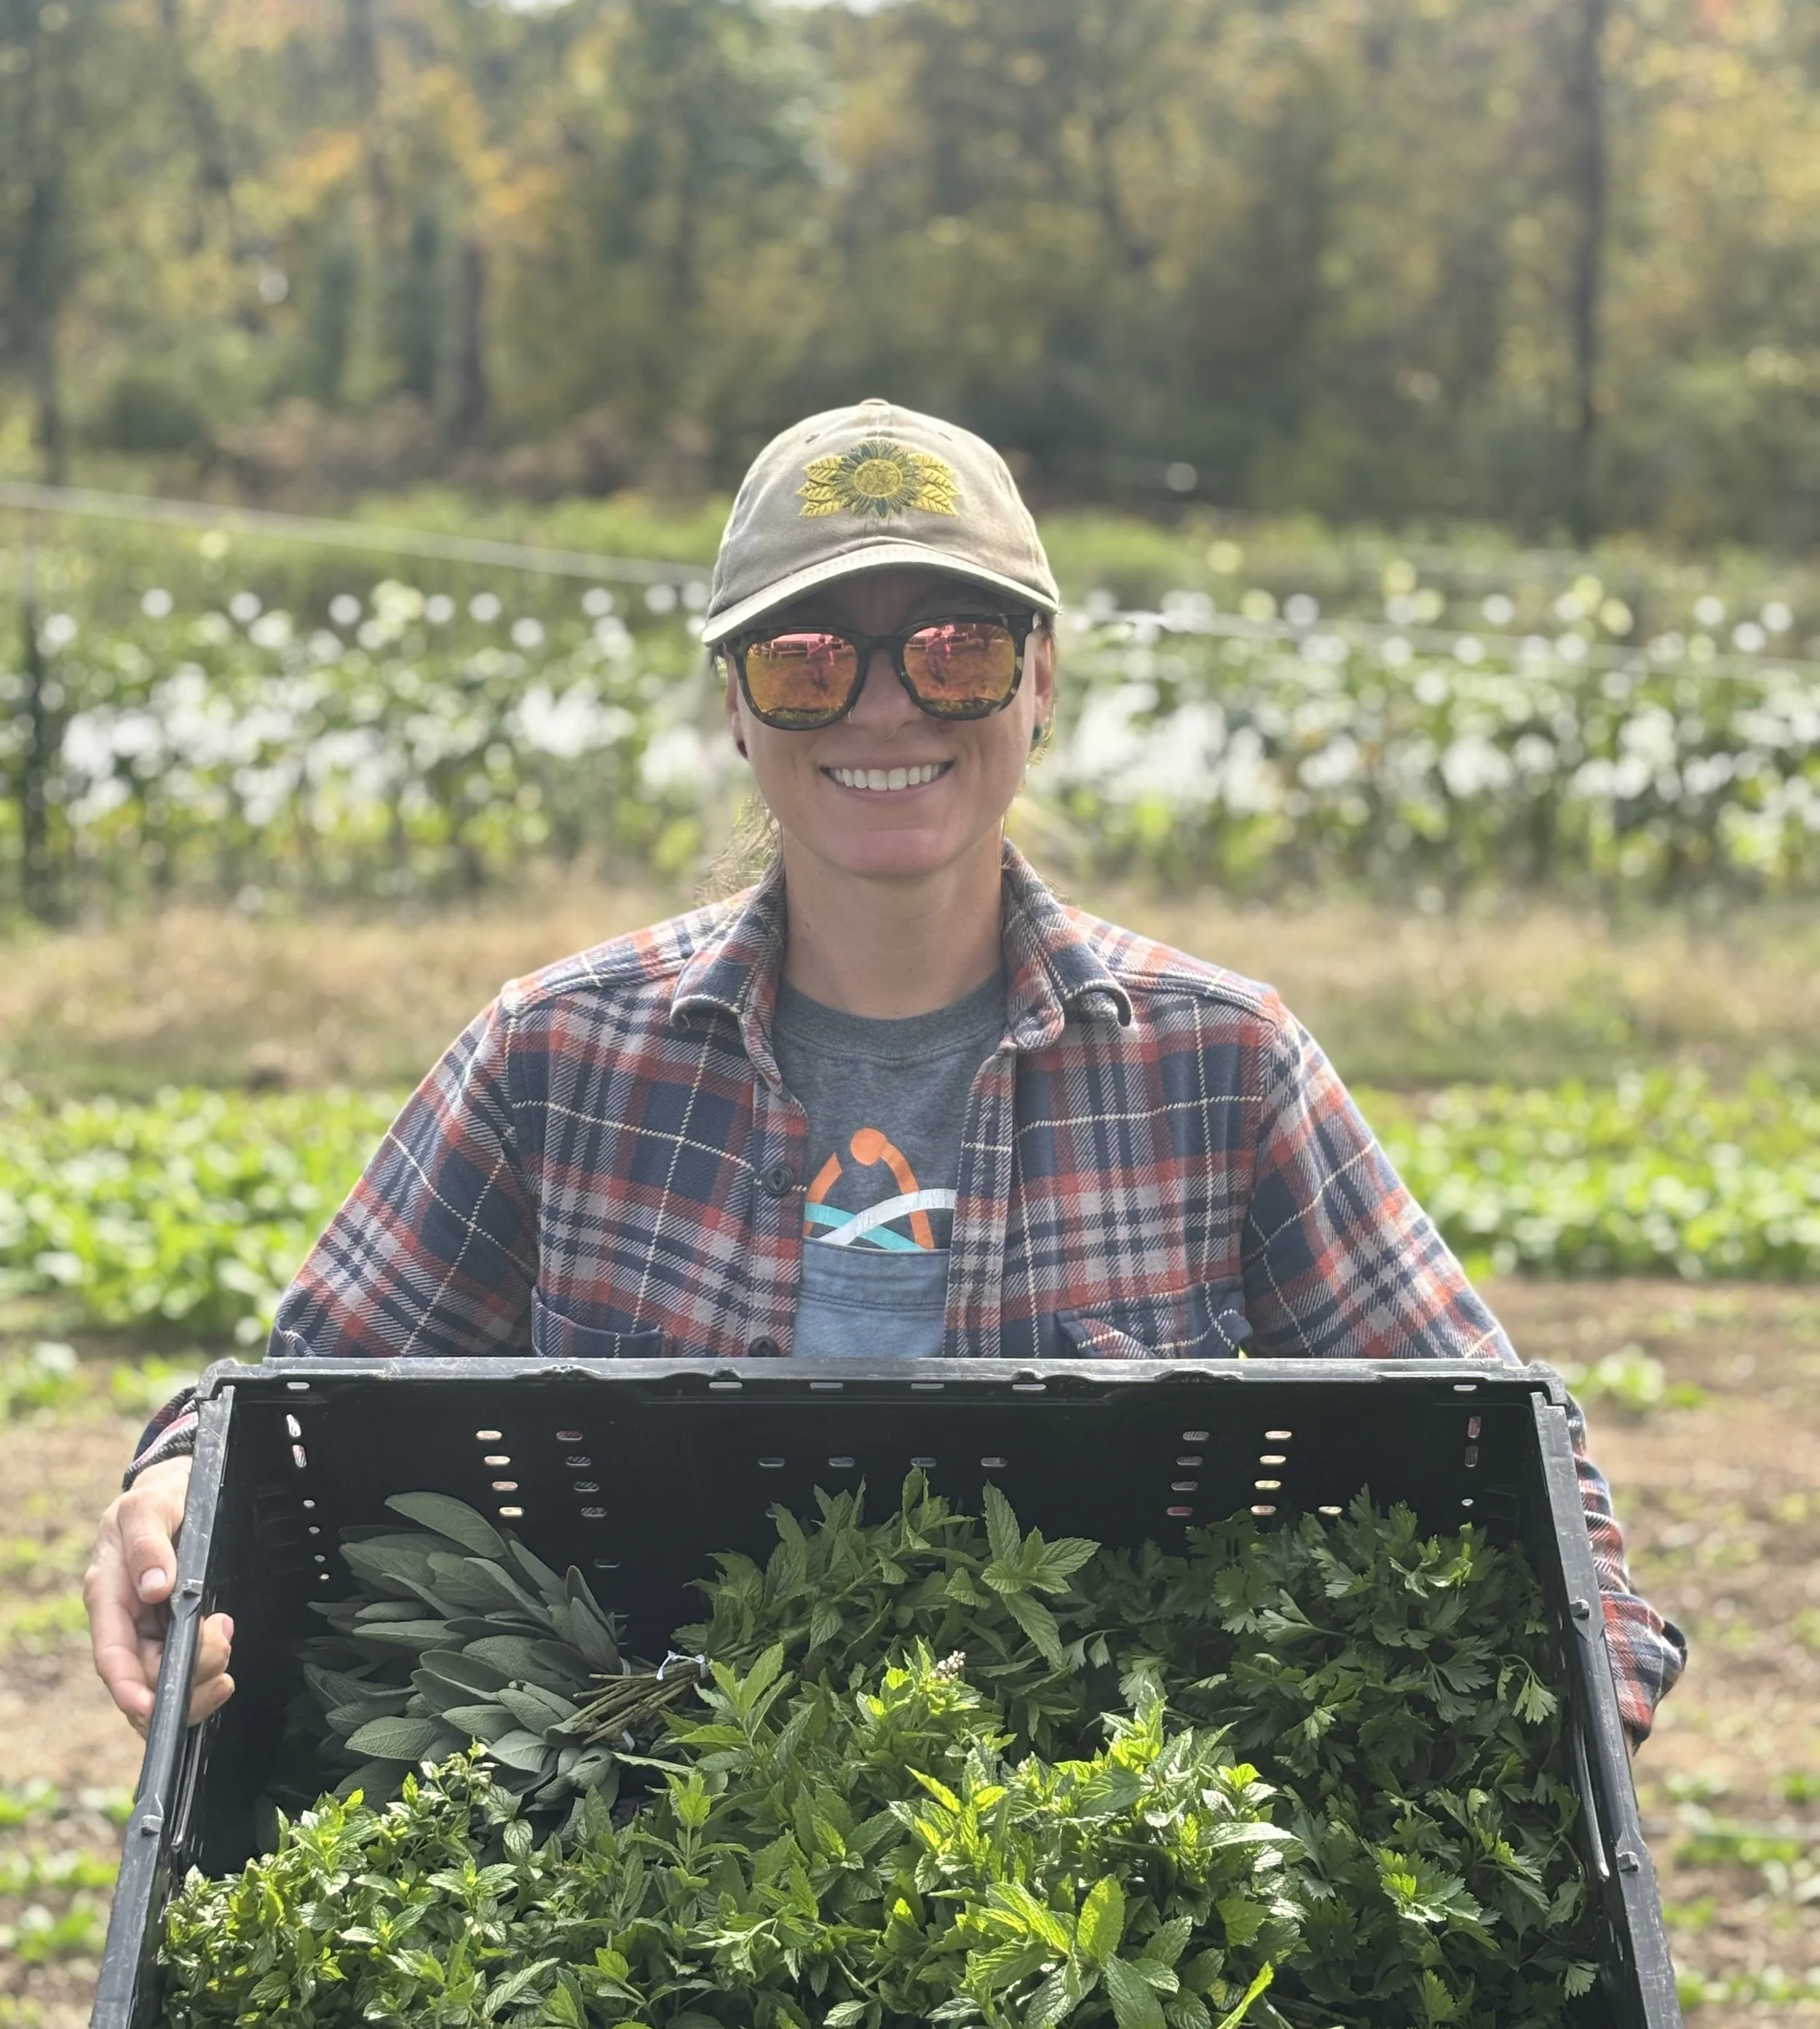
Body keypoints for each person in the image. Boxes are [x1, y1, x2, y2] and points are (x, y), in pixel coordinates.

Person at [85, 396, 1685, 1747]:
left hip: (1089, 1923)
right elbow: (286, 1407)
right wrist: (169, 1495)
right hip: (650, 1865)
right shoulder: (556, 1060)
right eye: (804, 661)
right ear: (735, 708)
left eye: (954, 649)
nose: (882, 705)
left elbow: (1515, 1464)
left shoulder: (1219, 1068)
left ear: (1038, 684)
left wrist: (1572, 1714)